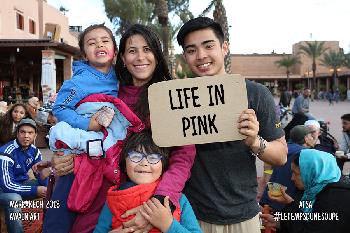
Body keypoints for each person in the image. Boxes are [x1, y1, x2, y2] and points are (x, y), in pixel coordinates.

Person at [46, 24, 195, 233]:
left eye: (147, 49)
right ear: (122, 58)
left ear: (158, 55)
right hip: (99, 194)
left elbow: (183, 157)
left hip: (153, 199)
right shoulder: (109, 93)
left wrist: (158, 203)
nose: (140, 57)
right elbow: (79, 129)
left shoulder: (171, 97)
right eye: (132, 51)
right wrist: (63, 157)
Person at [176, 17, 287, 233]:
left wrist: (255, 141)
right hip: (192, 217)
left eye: (208, 46)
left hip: (243, 217)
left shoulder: (256, 94)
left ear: (224, 47)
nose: (201, 56)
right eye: (191, 50)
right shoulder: (177, 101)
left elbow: (281, 155)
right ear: (185, 56)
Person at [94, 130, 201, 233]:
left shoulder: (178, 199)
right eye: (135, 156)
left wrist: (168, 225)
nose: (144, 162)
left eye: (153, 157)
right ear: (124, 164)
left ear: (163, 166)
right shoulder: (114, 198)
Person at [260, 149, 350, 233]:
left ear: (311, 172)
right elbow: (304, 219)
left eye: (296, 173)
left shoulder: (335, 198)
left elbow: (308, 230)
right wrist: (279, 222)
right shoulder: (311, 192)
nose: (292, 178)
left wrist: (290, 203)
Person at [0, 118, 50, 233]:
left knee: (52, 187)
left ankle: (48, 227)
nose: (26, 136)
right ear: (17, 134)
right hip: (2, 189)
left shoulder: (35, 151)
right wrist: (35, 190)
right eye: (22, 132)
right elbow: (7, 185)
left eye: (30, 133)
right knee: (14, 199)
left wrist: (42, 175)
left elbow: (41, 181)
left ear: (35, 135)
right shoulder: (6, 152)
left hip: (20, 184)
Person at [260, 125, 316, 211]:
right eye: (310, 136)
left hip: (271, 199)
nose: (313, 138)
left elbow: (267, 170)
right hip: (292, 204)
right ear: (305, 138)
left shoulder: (281, 150)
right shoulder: (307, 155)